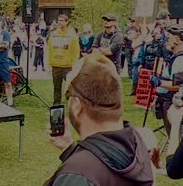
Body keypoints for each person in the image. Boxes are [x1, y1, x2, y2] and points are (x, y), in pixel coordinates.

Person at [45, 54, 154, 186]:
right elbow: (106, 167)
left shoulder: (77, 175)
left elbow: (92, 171)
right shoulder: (136, 144)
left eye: (68, 95)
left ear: (76, 105)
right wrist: (69, 149)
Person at [150, 24, 183, 135]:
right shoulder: (175, 57)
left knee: (175, 137)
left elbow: (178, 85)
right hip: (166, 101)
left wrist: (159, 82)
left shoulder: (182, 59)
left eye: (168, 38)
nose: (166, 41)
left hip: (173, 103)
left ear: (178, 40)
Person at [47, 14, 80, 105]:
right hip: (56, 66)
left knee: (71, 86)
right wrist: (49, 64)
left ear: (66, 22)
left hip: (68, 66)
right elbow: (49, 50)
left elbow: (76, 51)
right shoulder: (53, 35)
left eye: (62, 20)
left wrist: (74, 64)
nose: (59, 22)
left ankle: (72, 102)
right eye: (58, 20)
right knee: (56, 87)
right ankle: (56, 104)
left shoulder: (72, 35)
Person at [126, 26, 145, 96]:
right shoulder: (135, 40)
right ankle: (134, 89)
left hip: (139, 59)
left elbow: (134, 46)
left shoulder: (141, 39)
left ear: (138, 33)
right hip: (135, 58)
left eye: (132, 33)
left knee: (136, 75)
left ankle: (135, 90)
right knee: (135, 74)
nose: (130, 35)